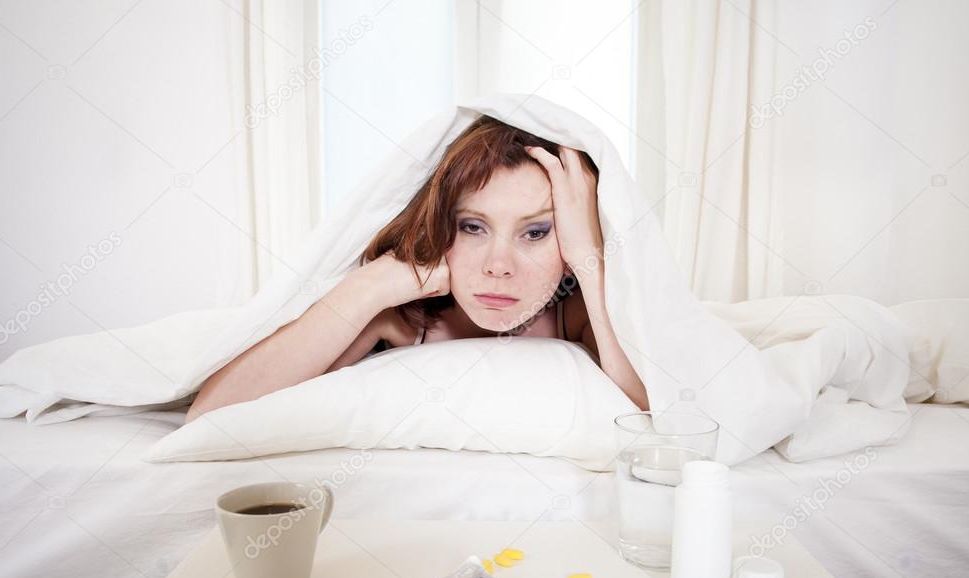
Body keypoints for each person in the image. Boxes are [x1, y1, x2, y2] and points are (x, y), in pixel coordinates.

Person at [186, 115, 648, 423]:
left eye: (535, 233)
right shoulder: (401, 319)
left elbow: (651, 413)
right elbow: (213, 415)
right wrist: (369, 286)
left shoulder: (578, 315)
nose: (498, 266)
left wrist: (590, 259)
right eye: (471, 226)